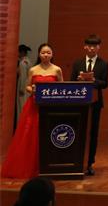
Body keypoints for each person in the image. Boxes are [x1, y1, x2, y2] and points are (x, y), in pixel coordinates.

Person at [2, 43, 63, 179]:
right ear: (39, 54)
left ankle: (49, 166)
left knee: (49, 134)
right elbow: (27, 86)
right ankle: (29, 166)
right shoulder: (33, 69)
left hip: (50, 106)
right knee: (30, 134)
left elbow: (61, 87)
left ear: (52, 54)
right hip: (34, 106)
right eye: (43, 52)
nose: (45, 55)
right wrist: (33, 90)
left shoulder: (57, 70)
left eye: (48, 53)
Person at [69, 34, 108, 176]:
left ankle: (90, 163)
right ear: (85, 47)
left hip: (95, 103)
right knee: (79, 131)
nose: (92, 48)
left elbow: (105, 83)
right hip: (79, 103)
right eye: (90, 46)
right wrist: (79, 79)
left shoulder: (104, 64)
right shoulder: (77, 63)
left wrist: (93, 80)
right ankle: (76, 160)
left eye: (95, 46)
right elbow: (71, 81)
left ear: (99, 47)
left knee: (93, 133)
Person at [16, 44, 31, 128]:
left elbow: (23, 76)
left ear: (21, 52)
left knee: (21, 108)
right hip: (27, 86)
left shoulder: (22, 63)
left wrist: (21, 88)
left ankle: (21, 126)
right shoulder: (28, 61)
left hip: (23, 87)